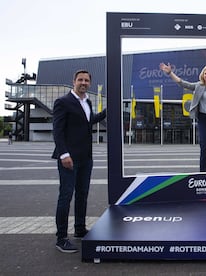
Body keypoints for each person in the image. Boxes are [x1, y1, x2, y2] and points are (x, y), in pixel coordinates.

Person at [52, 70, 106, 253]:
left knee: (82, 194)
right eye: (80, 80)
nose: (83, 83)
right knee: (66, 196)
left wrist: (107, 111)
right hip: (69, 158)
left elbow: (90, 121)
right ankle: (61, 238)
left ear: (90, 83)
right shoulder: (63, 102)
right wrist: (63, 154)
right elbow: (57, 131)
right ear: (73, 81)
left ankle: (80, 229)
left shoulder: (87, 102)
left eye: (87, 80)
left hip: (86, 158)